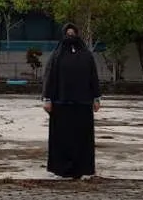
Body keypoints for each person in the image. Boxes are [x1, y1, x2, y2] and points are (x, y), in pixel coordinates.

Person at [42, 23, 101, 180]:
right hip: (61, 104)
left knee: (81, 138)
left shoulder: (86, 55)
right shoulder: (56, 56)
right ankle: (62, 169)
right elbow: (49, 78)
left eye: (73, 33)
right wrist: (47, 99)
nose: (70, 36)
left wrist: (96, 98)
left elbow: (93, 78)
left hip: (82, 104)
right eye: (67, 33)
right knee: (62, 138)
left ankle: (81, 169)